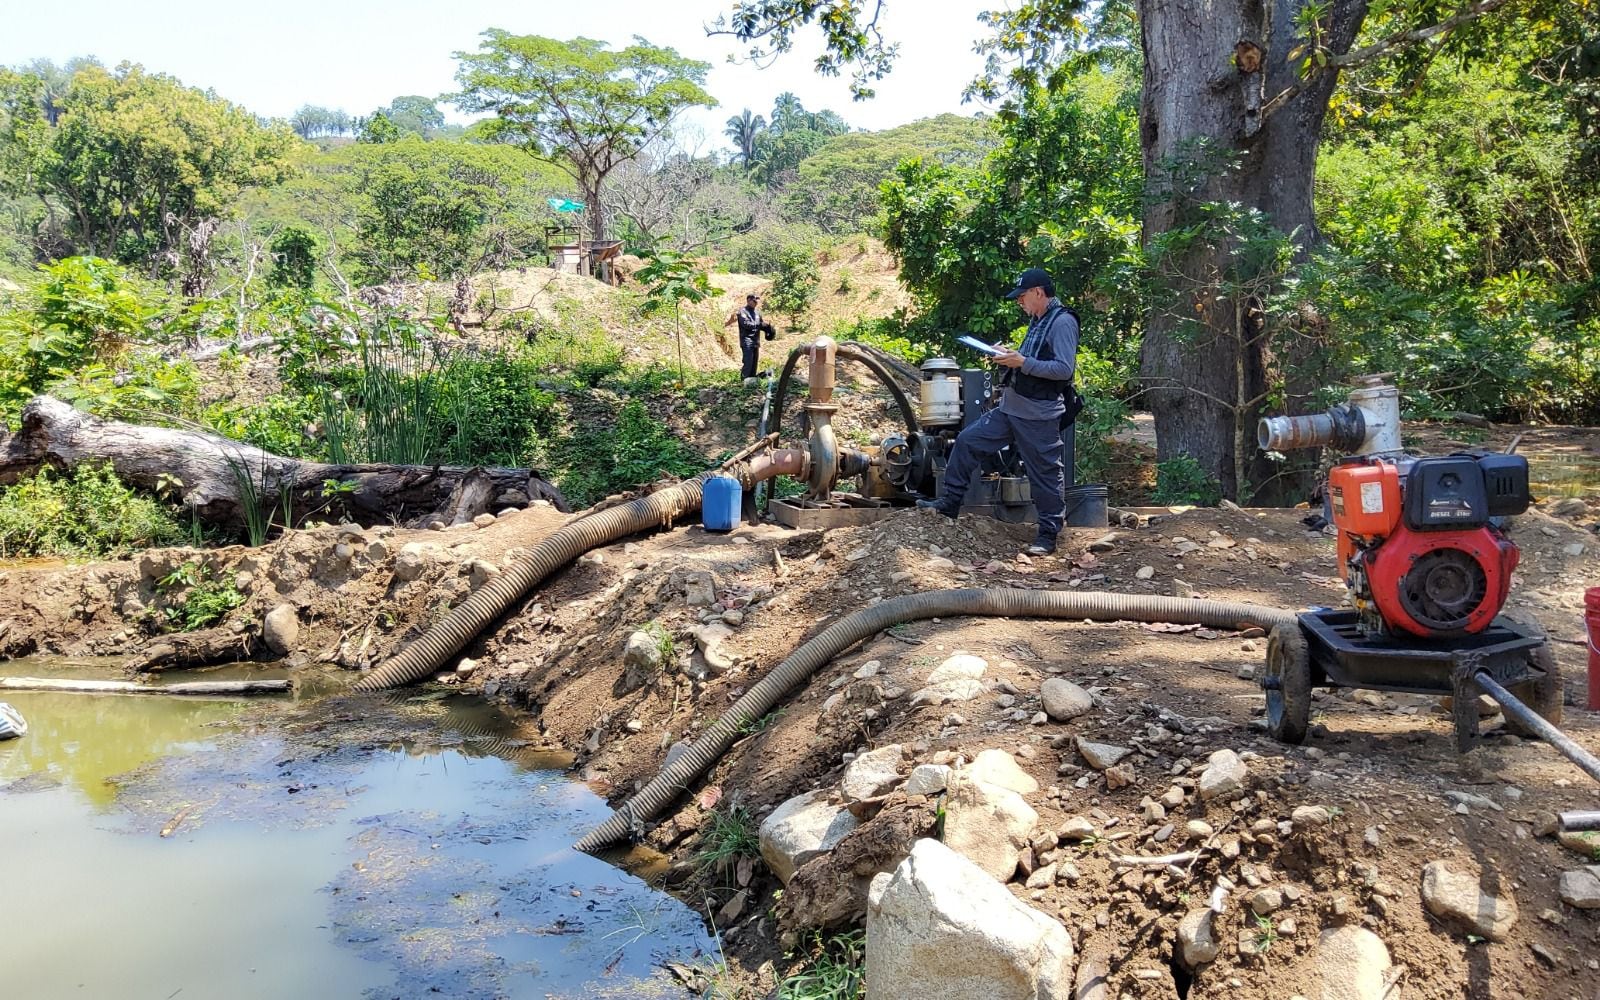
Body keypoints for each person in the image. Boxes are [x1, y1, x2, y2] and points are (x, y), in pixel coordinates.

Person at [917, 267, 1080, 556]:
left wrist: (1021, 362)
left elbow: (1063, 369)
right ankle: (949, 504)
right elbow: (1029, 361)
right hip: (1010, 408)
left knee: (1045, 474)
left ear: (1039, 293)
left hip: (1038, 415)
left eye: (1022, 297)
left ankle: (1047, 535)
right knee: (968, 441)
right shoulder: (1038, 320)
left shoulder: (1063, 322)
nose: (1019, 302)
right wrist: (1006, 358)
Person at [725, 293, 776, 379]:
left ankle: (751, 382)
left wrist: (768, 329)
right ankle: (744, 381)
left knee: (754, 365)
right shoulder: (742, 312)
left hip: (756, 341)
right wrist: (758, 324)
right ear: (748, 300)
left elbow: (761, 325)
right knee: (748, 363)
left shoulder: (757, 313)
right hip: (747, 341)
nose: (756, 302)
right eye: (754, 300)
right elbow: (746, 324)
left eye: (757, 301)